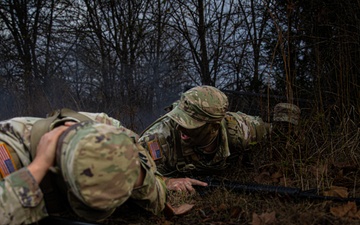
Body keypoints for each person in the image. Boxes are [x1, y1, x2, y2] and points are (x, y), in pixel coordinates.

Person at [0, 109, 167, 225]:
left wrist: (134, 172)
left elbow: (158, 200)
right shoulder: (10, 148)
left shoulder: (116, 135)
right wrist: (38, 166)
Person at [138, 85, 300, 192]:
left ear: (214, 126)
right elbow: (129, 174)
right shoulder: (159, 137)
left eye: (191, 124)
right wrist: (166, 182)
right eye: (178, 119)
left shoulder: (240, 130)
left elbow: (278, 133)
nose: (180, 127)